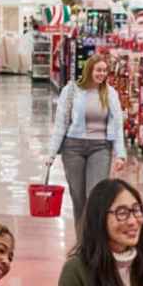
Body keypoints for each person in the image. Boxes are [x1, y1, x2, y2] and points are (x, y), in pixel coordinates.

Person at [47, 54, 127, 227]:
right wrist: (51, 154)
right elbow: (61, 123)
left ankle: (94, 244)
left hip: (101, 148)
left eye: (105, 70)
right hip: (73, 148)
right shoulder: (71, 91)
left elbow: (118, 125)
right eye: (98, 70)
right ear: (89, 70)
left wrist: (120, 154)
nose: (102, 74)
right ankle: (82, 244)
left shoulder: (110, 94)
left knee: (95, 197)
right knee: (78, 198)